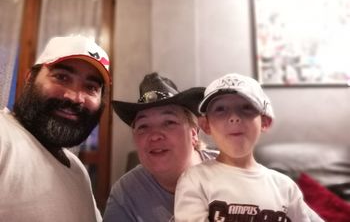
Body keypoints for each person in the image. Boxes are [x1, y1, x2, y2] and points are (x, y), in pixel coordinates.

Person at [174, 73, 324, 222]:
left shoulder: (285, 187)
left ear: (265, 121)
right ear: (206, 125)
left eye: (246, 107)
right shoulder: (195, 179)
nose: (234, 117)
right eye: (220, 109)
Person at [0, 35, 110, 222]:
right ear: (29, 79)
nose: (75, 97)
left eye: (91, 87)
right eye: (62, 77)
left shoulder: (78, 171)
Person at [103, 73, 216, 222]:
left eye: (169, 122)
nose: (155, 135)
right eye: (143, 126)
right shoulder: (125, 194)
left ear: (194, 133)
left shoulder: (231, 171)